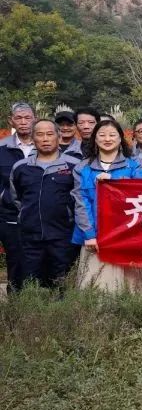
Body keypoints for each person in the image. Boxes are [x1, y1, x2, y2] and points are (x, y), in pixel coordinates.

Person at [71, 119, 142, 291]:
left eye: (112, 135)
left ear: (121, 138)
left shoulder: (134, 164)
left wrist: (115, 183)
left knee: (131, 287)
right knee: (96, 287)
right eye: (102, 135)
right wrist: (89, 234)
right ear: (95, 139)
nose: (107, 139)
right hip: (96, 237)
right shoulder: (83, 168)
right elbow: (81, 202)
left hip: (128, 234)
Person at [7, 120, 81, 288]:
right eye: (40, 134)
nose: (45, 139)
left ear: (58, 136)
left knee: (63, 283)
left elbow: (80, 199)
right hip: (30, 236)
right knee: (29, 283)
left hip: (63, 236)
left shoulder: (74, 165)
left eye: (50, 134)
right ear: (33, 138)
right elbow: (16, 198)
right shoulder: (21, 167)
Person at [0, 103, 36, 290]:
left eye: (27, 118)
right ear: (11, 121)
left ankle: (40, 300)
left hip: (39, 214)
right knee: (15, 259)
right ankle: (15, 300)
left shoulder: (46, 145)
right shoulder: (2, 147)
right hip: (10, 215)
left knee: (40, 259)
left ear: (35, 119)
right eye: (18, 118)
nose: (23, 122)